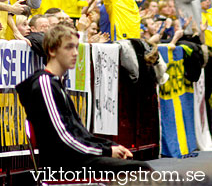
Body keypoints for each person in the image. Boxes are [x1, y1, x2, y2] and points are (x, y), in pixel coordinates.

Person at [17, 25, 152, 174]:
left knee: (137, 166)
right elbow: (63, 137)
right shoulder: (44, 84)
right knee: (140, 170)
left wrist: (110, 146)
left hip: (78, 158)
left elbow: (81, 133)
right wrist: (105, 151)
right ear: (52, 51)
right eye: (69, 48)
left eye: (76, 47)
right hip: (64, 164)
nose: (75, 53)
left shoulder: (56, 83)